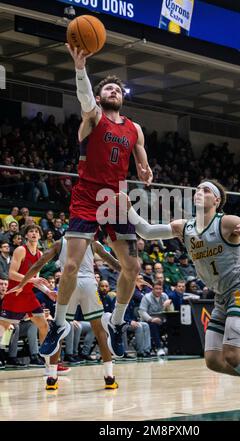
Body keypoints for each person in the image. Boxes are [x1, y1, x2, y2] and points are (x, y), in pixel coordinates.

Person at [120, 179, 240, 421]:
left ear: (217, 200)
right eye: (198, 189)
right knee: (213, 361)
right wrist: (128, 209)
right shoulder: (185, 227)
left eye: (206, 190)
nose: (199, 192)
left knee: (232, 354)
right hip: (221, 298)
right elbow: (147, 231)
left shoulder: (227, 222)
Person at [36, 44, 153, 360]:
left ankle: (116, 320)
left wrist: (144, 168)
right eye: (108, 88)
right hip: (87, 196)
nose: (113, 90)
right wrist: (79, 68)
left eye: (118, 88)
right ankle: (59, 324)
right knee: (71, 264)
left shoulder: (134, 128)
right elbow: (85, 96)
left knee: (132, 266)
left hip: (115, 199)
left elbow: (139, 153)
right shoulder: (93, 117)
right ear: (101, 98)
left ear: (123, 97)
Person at [9, 237, 121, 390]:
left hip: (68, 285)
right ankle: (109, 377)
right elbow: (114, 262)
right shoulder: (93, 242)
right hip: (88, 284)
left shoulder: (59, 243)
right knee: (99, 330)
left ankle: (52, 378)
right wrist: (132, 277)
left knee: (58, 330)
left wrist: (22, 283)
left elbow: (38, 264)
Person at [0, 225, 57, 379]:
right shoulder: (20, 250)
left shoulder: (39, 254)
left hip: (28, 295)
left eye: (36, 231)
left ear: (40, 236)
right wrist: (33, 279)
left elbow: (36, 281)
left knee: (44, 325)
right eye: (31, 231)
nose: (34, 233)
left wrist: (48, 291)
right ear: (26, 236)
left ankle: (47, 365)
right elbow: (11, 274)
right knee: (3, 329)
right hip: (15, 293)